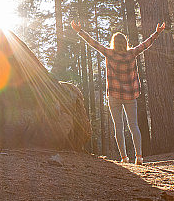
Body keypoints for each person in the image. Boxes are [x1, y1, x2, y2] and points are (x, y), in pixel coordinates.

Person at [71, 20, 165, 165]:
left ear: (113, 43)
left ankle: (124, 158)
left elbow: (93, 43)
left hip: (114, 96)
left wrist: (79, 31)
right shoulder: (132, 53)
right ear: (125, 43)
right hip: (130, 96)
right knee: (134, 126)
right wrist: (157, 33)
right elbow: (146, 44)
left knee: (118, 127)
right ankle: (139, 157)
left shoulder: (109, 53)